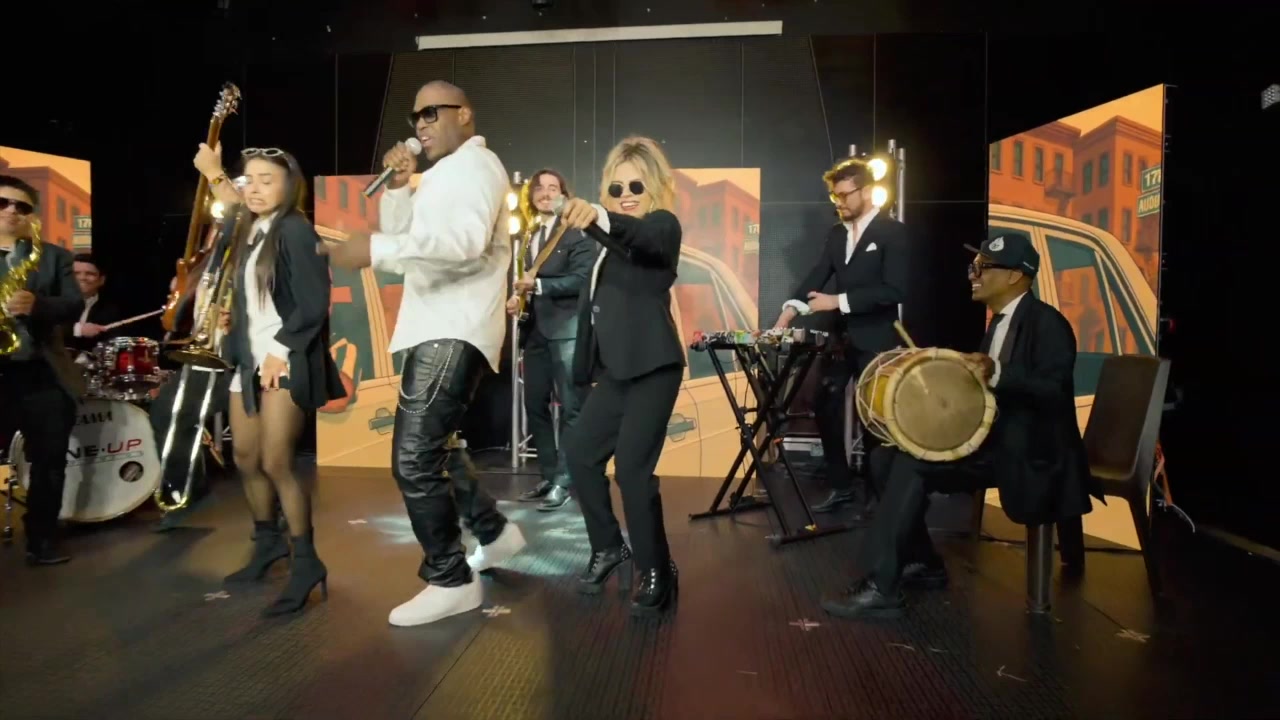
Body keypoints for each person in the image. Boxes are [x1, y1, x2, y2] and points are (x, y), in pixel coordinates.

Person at [320, 80, 526, 627]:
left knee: (413, 459)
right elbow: (410, 239)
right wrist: (398, 189)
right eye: (416, 117)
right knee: (436, 450)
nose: (421, 125)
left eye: (432, 113)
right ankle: (494, 534)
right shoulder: (444, 174)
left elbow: (463, 245)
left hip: (452, 328)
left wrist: (375, 248)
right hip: (439, 325)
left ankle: (450, 579)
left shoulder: (475, 167)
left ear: (465, 113)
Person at [819, 235, 1100, 620]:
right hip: (993, 445)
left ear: (1016, 276)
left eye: (983, 267)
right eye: (974, 267)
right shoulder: (998, 324)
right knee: (884, 457)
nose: (973, 275)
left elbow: (1053, 389)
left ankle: (881, 587)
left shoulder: (1047, 322)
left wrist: (997, 372)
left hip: (1032, 453)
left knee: (912, 463)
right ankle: (924, 563)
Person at [208, 147, 345, 617]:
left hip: (283, 359)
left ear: (290, 185)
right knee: (244, 458)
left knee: (276, 461)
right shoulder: (249, 231)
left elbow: (313, 301)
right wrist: (233, 319)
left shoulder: (294, 228)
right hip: (248, 361)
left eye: (267, 179)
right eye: (249, 180)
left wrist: (279, 349)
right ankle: (267, 543)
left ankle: (306, 561)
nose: (255, 188)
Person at [558, 136, 684, 615]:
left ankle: (656, 570)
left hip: (654, 367)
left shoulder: (663, 226)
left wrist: (599, 214)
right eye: (616, 187)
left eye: (636, 185)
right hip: (617, 373)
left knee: (631, 470)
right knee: (579, 453)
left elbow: (642, 238)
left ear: (656, 187)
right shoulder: (605, 249)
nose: (626, 193)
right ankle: (609, 547)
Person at [772, 158, 910, 516]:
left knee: (873, 419)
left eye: (845, 195)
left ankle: (879, 499)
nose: (840, 203)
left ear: (867, 191)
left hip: (877, 340)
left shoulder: (891, 232)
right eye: (835, 197)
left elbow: (894, 290)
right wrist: (789, 311)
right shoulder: (837, 234)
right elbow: (819, 272)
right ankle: (842, 484)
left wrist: (838, 301)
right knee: (825, 404)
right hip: (842, 339)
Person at [0, 175, 84, 565]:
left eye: (22, 206)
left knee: (50, 461)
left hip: (41, 372)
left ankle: (42, 539)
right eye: (3, 202)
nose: (12, 211)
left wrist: (38, 304)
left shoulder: (53, 256)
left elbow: (72, 304)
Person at [506, 168, 595, 512]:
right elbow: (529, 280)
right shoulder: (530, 233)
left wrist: (539, 286)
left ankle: (564, 480)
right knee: (534, 405)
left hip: (567, 330)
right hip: (536, 331)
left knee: (571, 408)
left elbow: (584, 279)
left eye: (552, 187)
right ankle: (548, 475)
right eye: (539, 188)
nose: (545, 193)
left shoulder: (576, 230)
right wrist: (519, 298)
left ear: (564, 194)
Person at [67, 254, 123, 355]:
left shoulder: (110, 311)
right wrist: (79, 329)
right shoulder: (52, 302)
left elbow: (112, 345)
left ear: (101, 280)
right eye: (76, 273)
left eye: (90, 274)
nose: (82, 277)